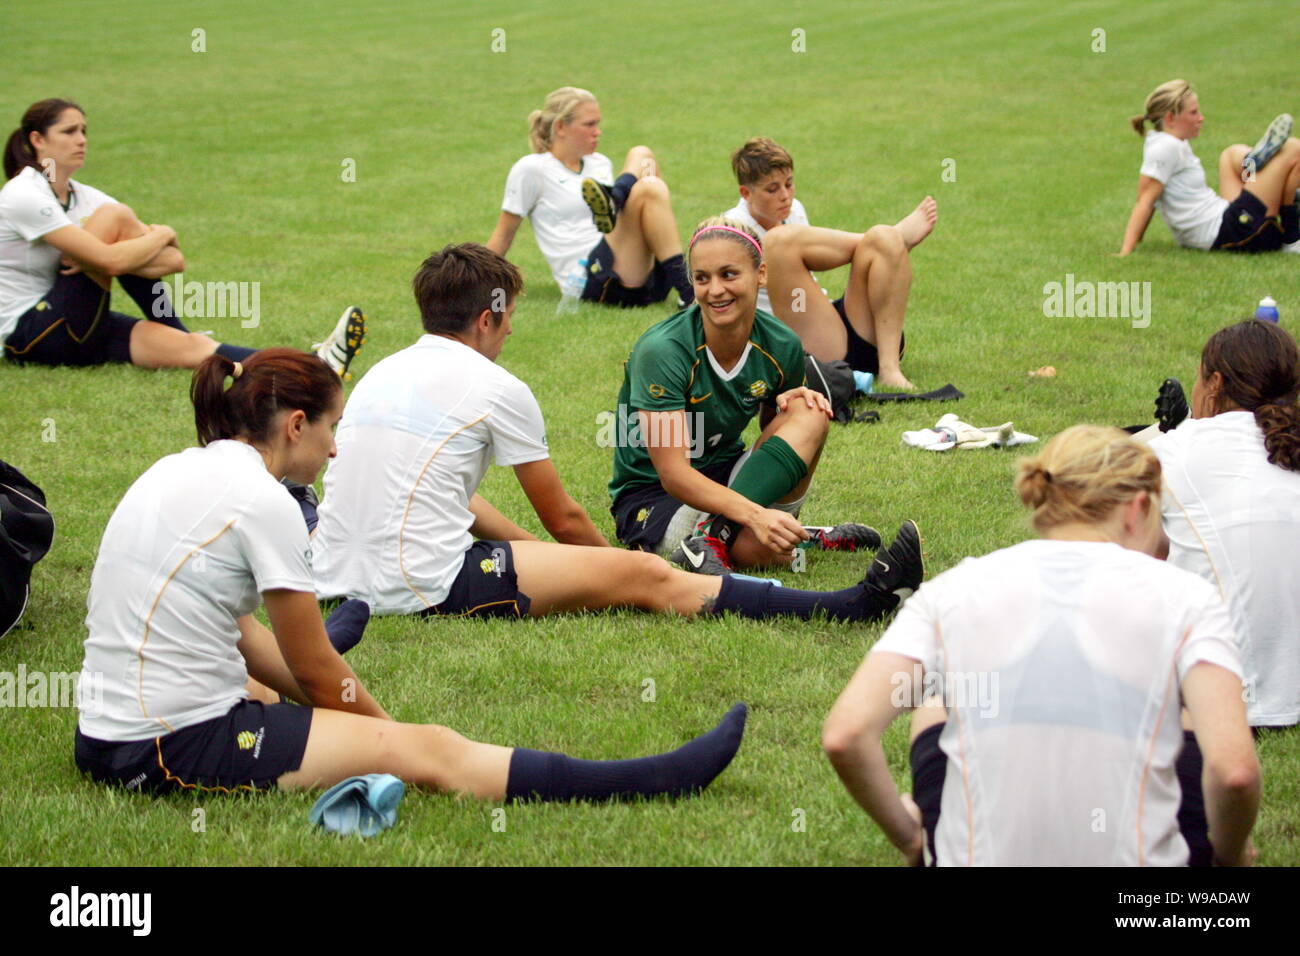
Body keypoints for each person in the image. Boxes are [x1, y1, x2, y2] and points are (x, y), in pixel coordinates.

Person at [74, 346, 747, 803]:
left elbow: (242, 631)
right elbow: (315, 672)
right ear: (296, 424)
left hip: (106, 734)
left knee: (275, 695)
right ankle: (647, 780)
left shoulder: (182, 468)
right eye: (331, 429)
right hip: (160, 749)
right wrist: (391, 739)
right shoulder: (264, 502)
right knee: (433, 751)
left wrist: (334, 700)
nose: (337, 447)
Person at [308, 242, 922, 625]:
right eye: (511, 318)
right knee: (647, 577)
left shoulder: (380, 373)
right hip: (416, 586)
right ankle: (850, 607)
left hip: (335, 577)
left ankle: (773, 549)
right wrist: (616, 567)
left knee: (663, 560)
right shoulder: (497, 387)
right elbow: (565, 520)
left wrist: (558, 563)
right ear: (489, 316)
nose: (511, 334)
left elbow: (449, 497)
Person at [823, 425, 1260, 866]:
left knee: (935, 703)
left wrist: (910, 838)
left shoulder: (953, 590)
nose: (1164, 542)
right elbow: (1235, 772)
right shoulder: (1187, 597)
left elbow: (846, 733)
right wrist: (1229, 854)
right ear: (1138, 507)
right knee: (1183, 715)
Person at [610, 215, 901, 575]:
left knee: (807, 409)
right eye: (702, 278)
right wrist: (755, 515)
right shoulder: (664, 350)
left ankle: (716, 535)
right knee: (764, 555)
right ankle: (788, 536)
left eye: (728, 274)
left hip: (728, 479)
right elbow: (673, 474)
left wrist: (789, 408)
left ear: (761, 274)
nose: (715, 290)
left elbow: (774, 442)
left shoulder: (781, 343)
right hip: (656, 499)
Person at [1, 99, 365, 373]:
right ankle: (173, 325)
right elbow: (111, 262)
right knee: (116, 218)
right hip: (32, 333)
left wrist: (155, 238)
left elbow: (173, 261)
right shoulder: (24, 193)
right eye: (69, 131)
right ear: (38, 140)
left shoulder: (85, 196)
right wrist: (129, 246)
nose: (81, 140)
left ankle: (315, 367)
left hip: (80, 324)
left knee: (196, 349)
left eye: (84, 130)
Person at [1149, 320, 1300, 729]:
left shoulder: (1181, 450)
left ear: (1214, 383)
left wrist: (1172, 430)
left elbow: (1076, 473)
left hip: (1231, 696)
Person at [719, 138, 937, 389]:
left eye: (789, 184)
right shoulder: (731, 229)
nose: (785, 196)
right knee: (778, 241)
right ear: (746, 193)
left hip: (840, 328)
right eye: (772, 189)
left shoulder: (795, 210)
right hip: (797, 343)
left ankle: (890, 368)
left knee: (881, 235)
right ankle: (886, 241)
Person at [486, 86, 695, 309]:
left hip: (635, 269)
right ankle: (687, 288)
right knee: (649, 189)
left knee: (643, 156)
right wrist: (471, 285)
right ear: (560, 127)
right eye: (589, 124)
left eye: (598, 123)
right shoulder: (532, 169)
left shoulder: (599, 162)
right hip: (592, 278)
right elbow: (503, 235)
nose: (598, 131)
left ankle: (615, 199)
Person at [1118, 80, 1300, 255]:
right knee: (1293, 148)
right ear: (1171, 118)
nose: (1201, 118)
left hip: (1228, 223)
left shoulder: (1164, 142)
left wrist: (1139, 238)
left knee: (1229, 155)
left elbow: (1151, 197)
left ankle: (1253, 161)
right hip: (1238, 231)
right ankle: (1291, 237)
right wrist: (1126, 251)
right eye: (1193, 113)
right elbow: (1145, 200)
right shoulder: (1166, 147)